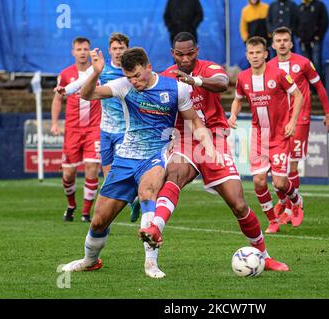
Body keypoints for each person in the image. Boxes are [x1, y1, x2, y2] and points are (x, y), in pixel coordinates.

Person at [59, 47, 219, 278]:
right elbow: (87, 95)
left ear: (149, 67)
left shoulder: (176, 88)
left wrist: (209, 146)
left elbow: (194, 121)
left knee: (147, 193)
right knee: (98, 221)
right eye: (129, 76)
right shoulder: (124, 85)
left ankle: (151, 263)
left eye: (136, 75)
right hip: (125, 159)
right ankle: (90, 260)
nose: (133, 81)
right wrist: (96, 71)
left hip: (156, 155)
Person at [139, 32, 289, 273]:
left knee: (238, 204)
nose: (185, 58)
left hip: (215, 139)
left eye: (189, 53)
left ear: (196, 51)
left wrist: (194, 81)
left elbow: (222, 83)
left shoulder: (208, 68)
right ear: (172, 54)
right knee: (175, 173)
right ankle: (155, 227)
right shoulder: (166, 77)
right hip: (184, 138)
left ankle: (264, 256)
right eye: (180, 54)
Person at [56, 33, 141, 223]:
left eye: (121, 48)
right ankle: (129, 201)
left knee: (120, 170)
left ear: (127, 49)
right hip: (105, 130)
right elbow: (83, 80)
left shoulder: (132, 71)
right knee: (109, 176)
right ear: (109, 50)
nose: (118, 52)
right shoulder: (102, 68)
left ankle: (130, 200)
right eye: (115, 48)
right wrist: (67, 90)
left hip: (125, 130)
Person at [228, 36, 304, 234]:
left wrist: (293, 121)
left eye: (258, 53)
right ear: (246, 55)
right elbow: (237, 100)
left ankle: (296, 200)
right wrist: (234, 115)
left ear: (265, 54)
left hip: (279, 135)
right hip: (258, 137)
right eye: (251, 53)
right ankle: (273, 221)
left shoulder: (278, 74)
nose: (255, 56)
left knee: (279, 182)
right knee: (259, 181)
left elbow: (298, 95)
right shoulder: (243, 78)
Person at [268, 26, 329, 228]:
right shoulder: (270, 66)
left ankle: (291, 208)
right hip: (278, 122)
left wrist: (328, 113)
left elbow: (319, 87)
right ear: (273, 44)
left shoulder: (303, 63)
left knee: (292, 165)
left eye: (285, 40)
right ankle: (286, 203)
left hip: (300, 119)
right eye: (278, 40)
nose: (282, 43)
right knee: (277, 169)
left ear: (291, 43)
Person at [51, 37, 101, 223]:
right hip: (72, 129)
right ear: (73, 51)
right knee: (68, 174)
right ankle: (71, 205)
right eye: (78, 49)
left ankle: (86, 213)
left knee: (91, 168)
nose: (82, 52)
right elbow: (58, 98)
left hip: (94, 128)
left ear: (89, 51)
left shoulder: (97, 72)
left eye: (85, 49)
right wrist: (55, 123)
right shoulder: (65, 74)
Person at [296, 0, 329, 78]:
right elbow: (296, 23)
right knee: (306, 65)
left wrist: (318, 36)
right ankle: (309, 88)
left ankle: (319, 87)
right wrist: (299, 36)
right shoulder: (300, 7)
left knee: (316, 63)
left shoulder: (319, 5)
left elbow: (325, 22)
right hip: (303, 42)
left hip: (315, 41)